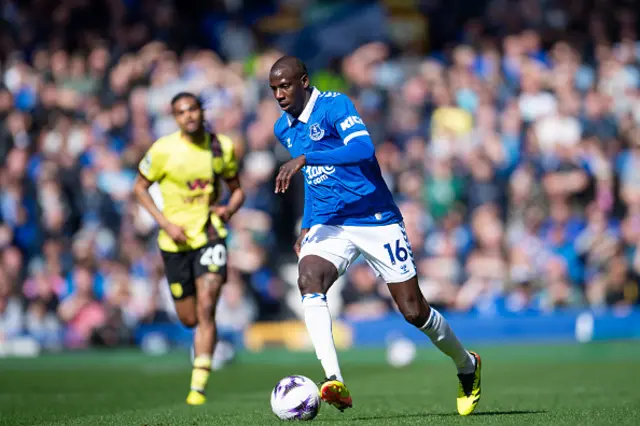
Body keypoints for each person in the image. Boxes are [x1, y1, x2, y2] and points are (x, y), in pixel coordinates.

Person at [270, 56, 482, 415]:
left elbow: (363, 149)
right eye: (274, 89)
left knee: (414, 312)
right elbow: (315, 184)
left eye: (285, 86)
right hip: (331, 222)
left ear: (304, 81)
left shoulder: (335, 105)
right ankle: (333, 380)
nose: (279, 94)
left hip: (375, 217)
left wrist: (306, 157)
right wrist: (307, 224)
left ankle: (467, 365)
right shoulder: (283, 127)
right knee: (308, 279)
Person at [133, 92, 245, 406]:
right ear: (175, 118)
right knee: (189, 317)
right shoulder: (163, 150)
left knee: (208, 304)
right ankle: (200, 348)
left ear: (201, 111)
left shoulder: (220, 147)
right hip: (174, 242)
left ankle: (198, 387)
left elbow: (237, 191)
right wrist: (164, 223)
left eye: (193, 109)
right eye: (181, 112)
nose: (189, 116)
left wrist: (229, 210)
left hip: (210, 235)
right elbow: (139, 187)